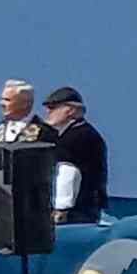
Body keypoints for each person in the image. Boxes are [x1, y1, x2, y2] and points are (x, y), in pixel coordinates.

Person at [35, 84, 109, 223]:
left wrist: (61, 209)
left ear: (70, 110)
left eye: (52, 107)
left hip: (77, 212)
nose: (47, 112)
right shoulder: (63, 134)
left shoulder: (80, 136)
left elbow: (68, 172)